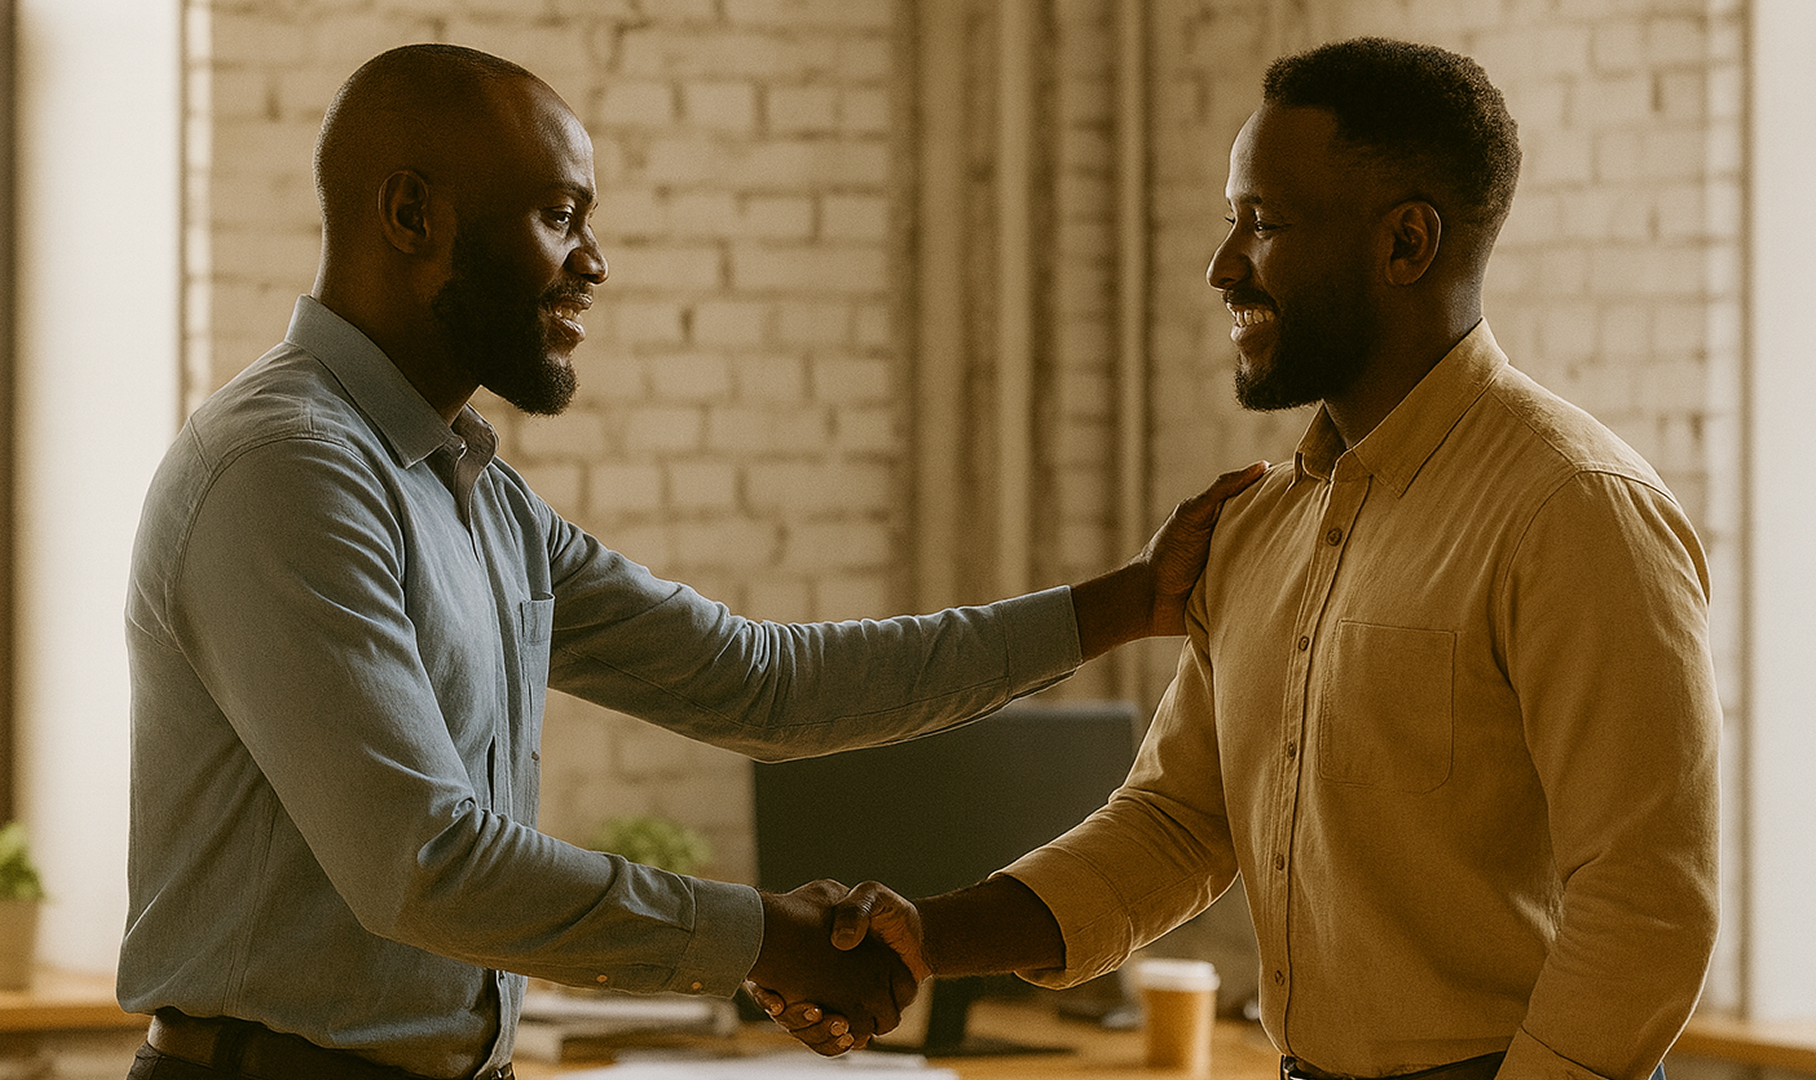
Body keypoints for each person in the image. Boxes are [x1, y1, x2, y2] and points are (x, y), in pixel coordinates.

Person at [119, 43, 1264, 1080]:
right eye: (559, 216)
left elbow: (763, 684)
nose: (594, 263)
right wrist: (766, 937)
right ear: (412, 214)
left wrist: (1127, 603)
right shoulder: (285, 473)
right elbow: (424, 863)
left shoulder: (478, 497)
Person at [770, 37, 1721, 1080]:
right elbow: (1180, 822)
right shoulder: (1260, 525)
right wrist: (929, 936)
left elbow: (1646, 909)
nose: (1224, 266)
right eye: (1233, 220)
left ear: (1406, 243)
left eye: (1263, 224)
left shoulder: (1577, 513)